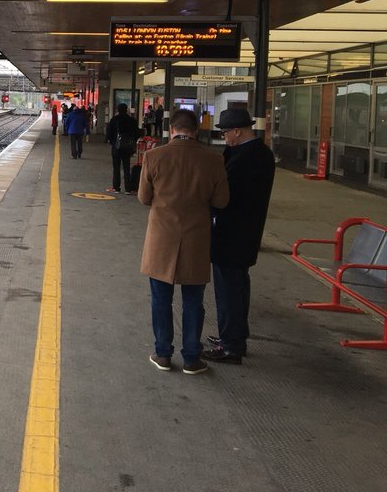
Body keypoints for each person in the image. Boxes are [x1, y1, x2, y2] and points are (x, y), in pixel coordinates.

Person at [138, 109, 229, 375]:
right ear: (195, 130)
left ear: (172, 129)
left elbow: (144, 198)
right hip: (196, 240)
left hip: (161, 241)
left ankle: (163, 354)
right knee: (193, 302)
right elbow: (221, 202)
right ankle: (191, 358)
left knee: (160, 300)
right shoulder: (214, 161)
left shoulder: (153, 156)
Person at [202, 108, 276, 364]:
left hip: (232, 234)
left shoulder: (247, 157)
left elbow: (225, 194)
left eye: (225, 133)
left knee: (229, 289)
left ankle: (231, 344)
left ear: (237, 131)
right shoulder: (257, 153)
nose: (224, 138)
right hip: (243, 234)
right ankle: (235, 335)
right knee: (238, 285)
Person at [105, 103, 139, 193]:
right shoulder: (132, 120)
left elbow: (109, 133)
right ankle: (128, 189)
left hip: (116, 147)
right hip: (128, 147)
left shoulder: (114, 120)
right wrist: (132, 141)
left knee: (116, 168)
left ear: (118, 110)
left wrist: (111, 142)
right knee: (126, 167)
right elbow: (137, 133)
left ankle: (116, 187)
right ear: (126, 109)